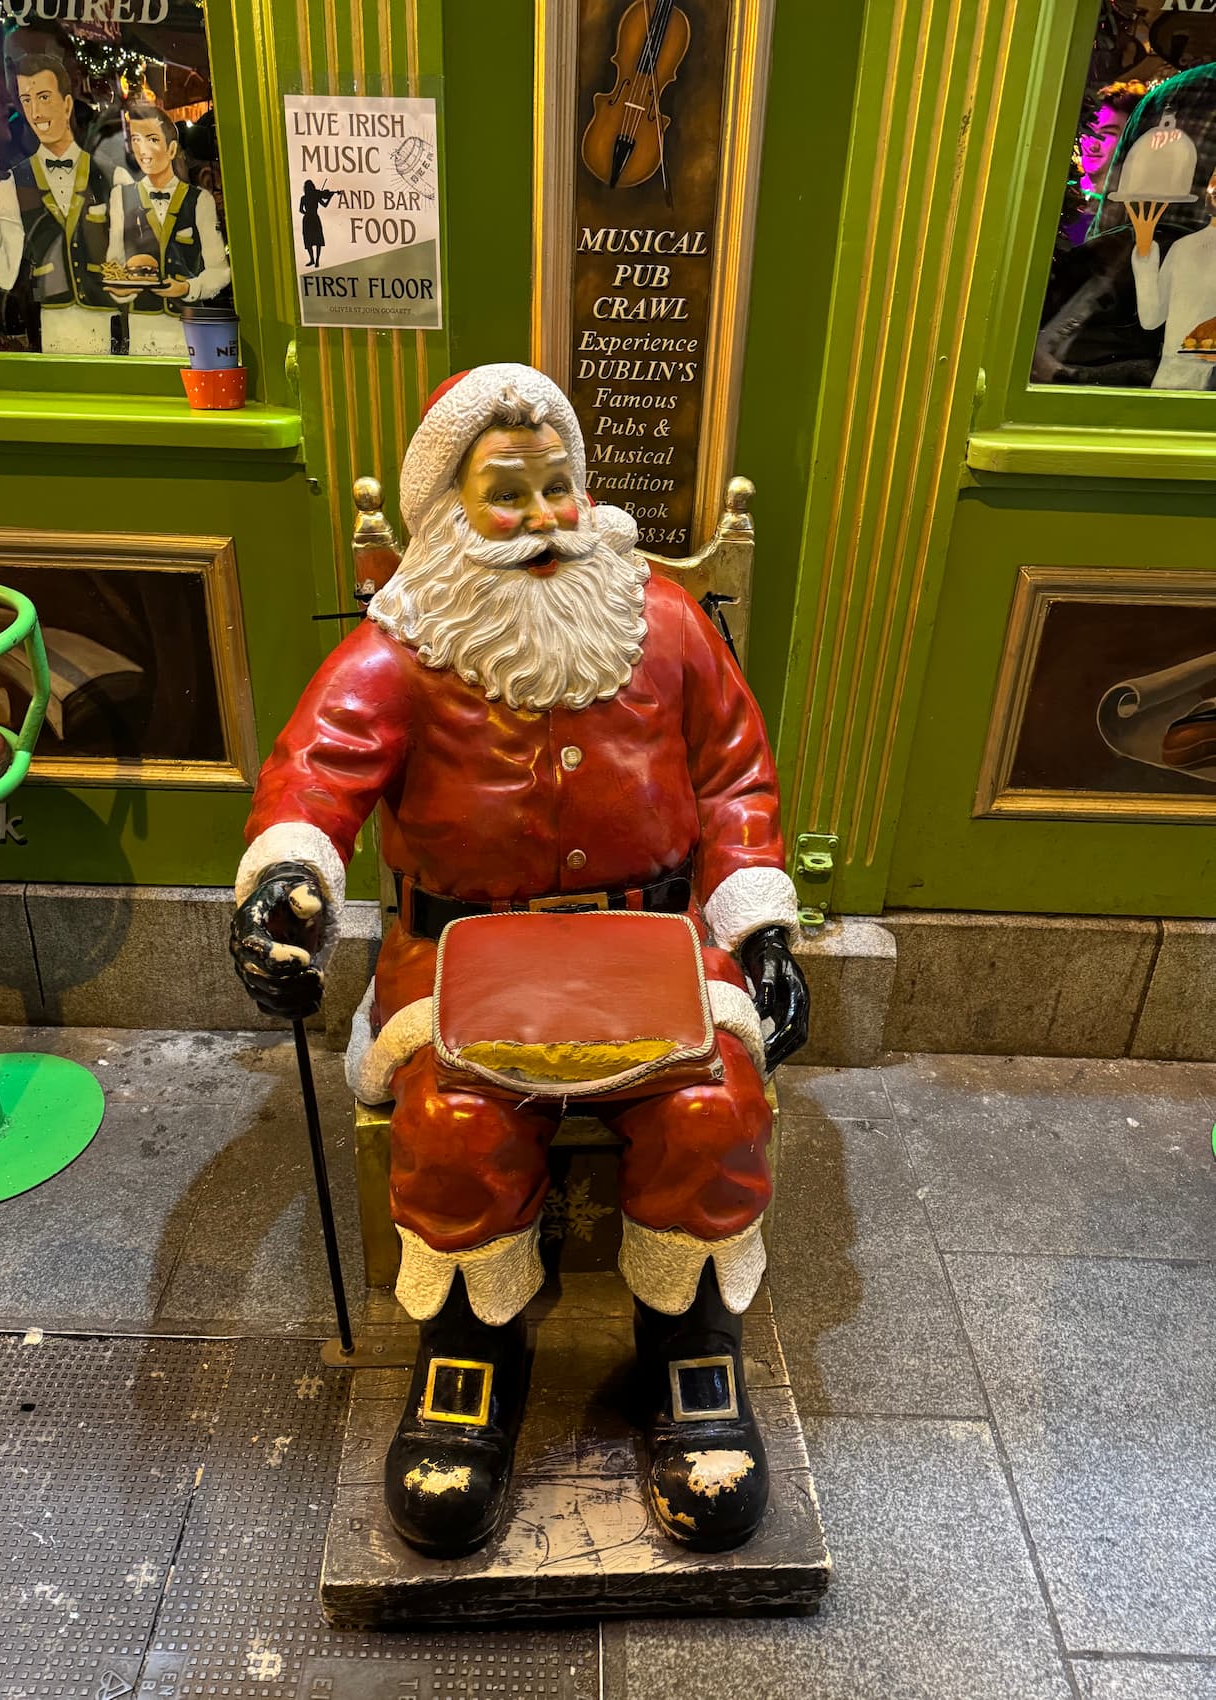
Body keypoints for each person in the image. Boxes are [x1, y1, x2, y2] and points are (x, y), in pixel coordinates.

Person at [230, 364, 810, 1559]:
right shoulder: (402, 646)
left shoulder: (664, 621)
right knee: (456, 1116)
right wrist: (286, 884)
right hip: (463, 952)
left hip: (656, 940)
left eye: (558, 486)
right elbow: (313, 774)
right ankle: (469, 1354)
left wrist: (759, 923)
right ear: (446, 509)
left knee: (712, 1103)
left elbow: (734, 778)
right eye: (508, 493)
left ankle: (692, 1347)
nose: (544, 518)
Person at [0, 53, 116, 355]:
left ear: (67, 104)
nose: (35, 112)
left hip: (109, 316)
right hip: (52, 320)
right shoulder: (14, 182)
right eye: (26, 100)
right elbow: (6, 276)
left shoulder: (107, 173)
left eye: (43, 97)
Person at [105, 100, 230, 358]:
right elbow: (114, 263)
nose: (143, 150)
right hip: (140, 330)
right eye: (136, 140)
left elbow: (220, 272)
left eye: (152, 139)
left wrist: (188, 288)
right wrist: (120, 291)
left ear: (172, 149)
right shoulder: (120, 198)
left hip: (189, 329)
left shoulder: (200, 200)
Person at [1127, 165, 1216, 390]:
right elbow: (1151, 318)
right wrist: (1145, 251)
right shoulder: (1183, 248)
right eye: (1214, 177)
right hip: (1175, 376)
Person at [298, 177, 333, 267]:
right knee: (317, 241)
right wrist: (330, 197)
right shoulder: (315, 195)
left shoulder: (304, 198)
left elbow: (300, 210)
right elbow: (325, 205)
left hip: (307, 219)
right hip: (314, 218)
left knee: (309, 240)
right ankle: (316, 261)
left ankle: (312, 260)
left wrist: (307, 213)